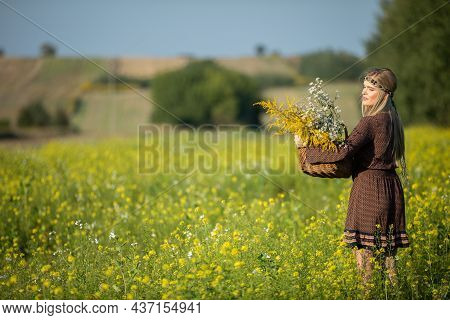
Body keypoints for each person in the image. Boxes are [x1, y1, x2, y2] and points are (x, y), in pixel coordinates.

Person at [294, 67, 409, 287]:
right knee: (389, 259)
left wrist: (307, 149)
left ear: (384, 94)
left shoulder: (370, 121)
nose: (363, 93)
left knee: (365, 262)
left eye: (370, 88)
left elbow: (343, 150)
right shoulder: (392, 120)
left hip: (369, 190)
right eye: (363, 88)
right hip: (391, 188)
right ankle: (398, 298)